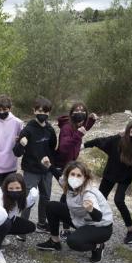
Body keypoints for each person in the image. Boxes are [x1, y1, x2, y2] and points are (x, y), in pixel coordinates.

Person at [84, 119, 132, 245]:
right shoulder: (117, 140)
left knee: (119, 200)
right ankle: (94, 224)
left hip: (125, 177)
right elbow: (100, 141)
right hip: (110, 174)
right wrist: (84, 146)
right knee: (99, 198)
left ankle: (131, 231)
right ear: (127, 131)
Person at [37, 162, 113, 263]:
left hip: (100, 227)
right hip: (81, 219)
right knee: (52, 206)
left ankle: (98, 246)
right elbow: (59, 176)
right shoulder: (69, 185)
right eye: (72, 174)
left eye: (79, 175)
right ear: (68, 175)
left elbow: (98, 217)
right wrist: (50, 166)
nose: (75, 178)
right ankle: (54, 242)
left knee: (73, 241)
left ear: (85, 178)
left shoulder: (88, 193)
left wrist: (91, 209)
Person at [50, 102, 97, 239]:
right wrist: (78, 135)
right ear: (71, 113)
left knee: (67, 193)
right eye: (76, 110)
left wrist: (91, 121)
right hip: (63, 165)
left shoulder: (77, 125)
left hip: (71, 163)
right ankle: (63, 225)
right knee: (68, 193)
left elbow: (83, 129)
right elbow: (64, 147)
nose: (80, 112)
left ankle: (62, 222)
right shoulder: (66, 127)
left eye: (82, 110)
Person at [12, 96, 57, 233]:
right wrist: (20, 143)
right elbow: (17, 153)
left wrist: (51, 164)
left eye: (45, 111)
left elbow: (53, 146)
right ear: (34, 111)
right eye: (39, 111)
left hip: (46, 170)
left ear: (49, 113)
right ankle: (23, 226)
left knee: (45, 197)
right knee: (28, 197)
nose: (42, 114)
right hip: (31, 170)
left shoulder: (50, 129)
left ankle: (41, 224)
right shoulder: (27, 129)